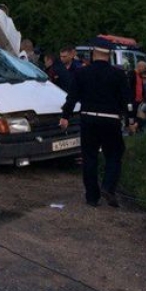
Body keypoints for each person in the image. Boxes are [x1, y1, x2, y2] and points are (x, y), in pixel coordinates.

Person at [59, 39, 133, 207]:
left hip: (88, 118)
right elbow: (126, 100)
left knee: (89, 156)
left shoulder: (82, 73)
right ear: (110, 56)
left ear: (93, 53)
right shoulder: (118, 74)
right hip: (111, 120)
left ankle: (92, 196)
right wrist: (130, 120)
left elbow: (72, 97)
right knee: (114, 155)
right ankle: (108, 186)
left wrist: (65, 116)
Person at [127, 60, 146, 130]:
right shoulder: (131, 74)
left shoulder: (140, 76)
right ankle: (131, 129)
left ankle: (136, 129)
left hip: (139, 100)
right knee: (132, 116)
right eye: (144, 68)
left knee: (139, 116)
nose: (145, 70)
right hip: (133, 100)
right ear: (140, 67)